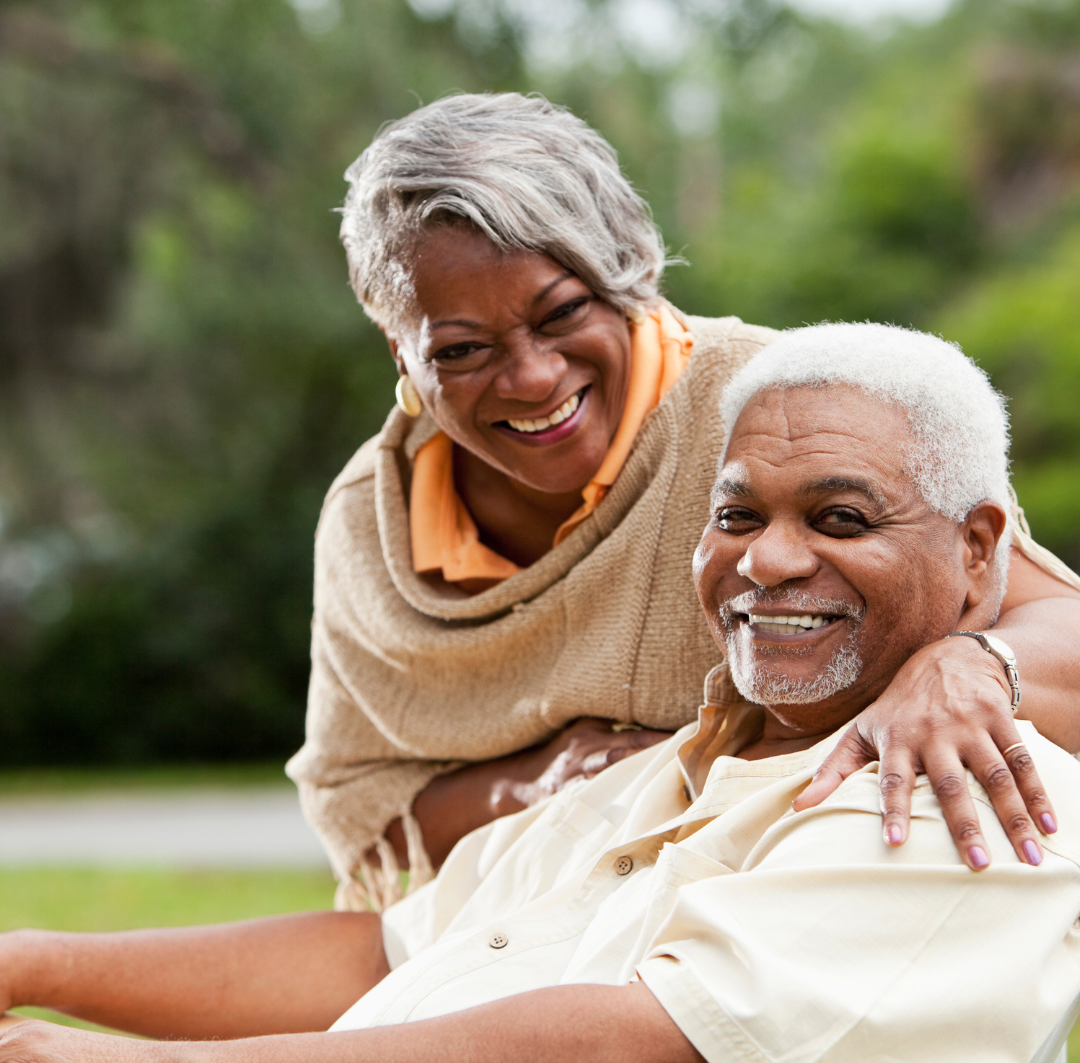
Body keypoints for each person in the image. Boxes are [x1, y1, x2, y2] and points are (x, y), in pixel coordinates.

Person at [3, 323, 1079, 1063]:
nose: (768, 560)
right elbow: (384, 951)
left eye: (841, 519)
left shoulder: (965, 790)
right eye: (738, 516)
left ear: (978, 552)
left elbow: (636, 1044)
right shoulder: (658, 769)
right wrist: (30, 965)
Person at [286, 91, 1080, 910]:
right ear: (400, 349)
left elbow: (1057, 622)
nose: (531, 377)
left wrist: (971, 664)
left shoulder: (783, 414)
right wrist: (539, 784)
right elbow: (358, 794)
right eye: (460, 350)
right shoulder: (369, 520)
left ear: (630, 275)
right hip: (519, 926)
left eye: (563, 312)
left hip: (795, 901)